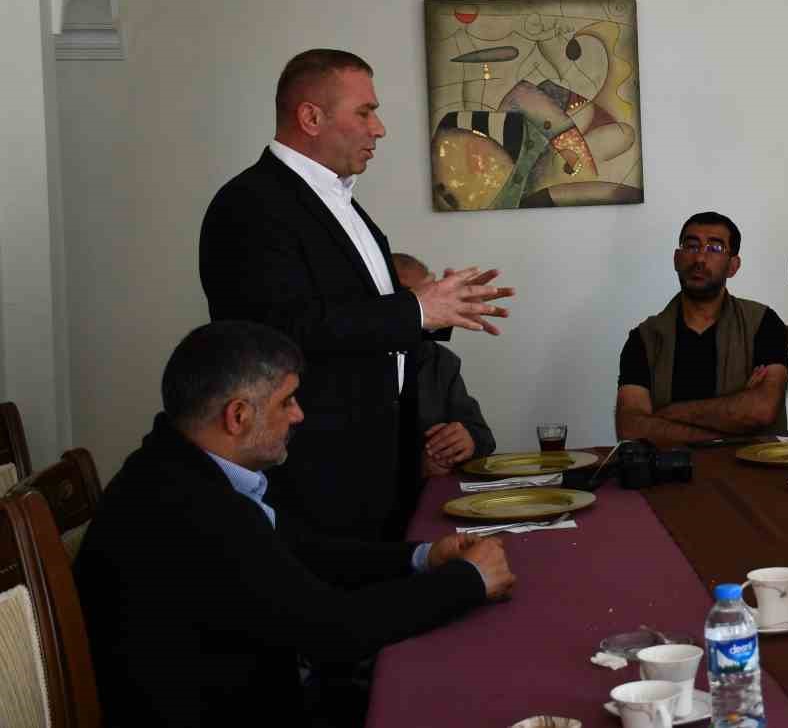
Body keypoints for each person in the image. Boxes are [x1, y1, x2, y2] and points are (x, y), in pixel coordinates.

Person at [74, 321, 514, 728]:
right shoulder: (192, 509)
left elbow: (302, 550)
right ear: (238, 416)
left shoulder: (173, 465)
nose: (299, 414)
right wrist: (468, 581)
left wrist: (422, 556)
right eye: (286, 401)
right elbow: (334, 630)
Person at [199, 49, 515, 539]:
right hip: (316, 474)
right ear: (311, 118)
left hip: (376, 471)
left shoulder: (339, 202)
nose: (379, 128)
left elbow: (357, 312)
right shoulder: (249, 205)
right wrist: (416, 309)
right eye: (365, 112)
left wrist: (436, 307)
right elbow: (278, 333)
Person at [616, 211, 788, 447]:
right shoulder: (645, 338)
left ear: (733, 266)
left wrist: (667, 414)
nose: (699, 258)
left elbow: (761, 410)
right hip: (670, 470)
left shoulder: (762, 323)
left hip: (753, 466)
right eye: (691, 246)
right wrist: (731, 425)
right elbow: (631, 427)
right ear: (677, 259)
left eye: (715, 248)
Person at [392, 252, 498, 476]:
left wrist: (467, 441)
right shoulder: (345, 363)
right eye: (405, 296)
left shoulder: (439, 360)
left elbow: (484, 437)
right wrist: (416, 468)